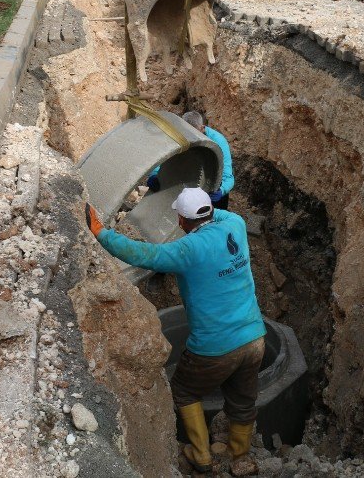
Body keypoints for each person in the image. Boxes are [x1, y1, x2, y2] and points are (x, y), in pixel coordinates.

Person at [85, 188, 265, 476]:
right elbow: (212, 214)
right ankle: (240, 456)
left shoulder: (188, 250)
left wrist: (101, 233)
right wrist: (201, 206)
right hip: (254, 338)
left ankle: (202, 455)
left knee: (184, 390)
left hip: (214, 346)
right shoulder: (236, 224)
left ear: (182, 220)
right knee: (243, 399)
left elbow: (144, 254)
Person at [148, 110, 235, 209]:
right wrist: (154, 174)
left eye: (195, 134)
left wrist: (222, 190)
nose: (192, 138)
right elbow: (164, 156)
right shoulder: (178, 135)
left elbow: (228, 176)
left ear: (202, 128)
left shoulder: (218, 142)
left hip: (209, 182)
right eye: (188, 134)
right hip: (186, 177)